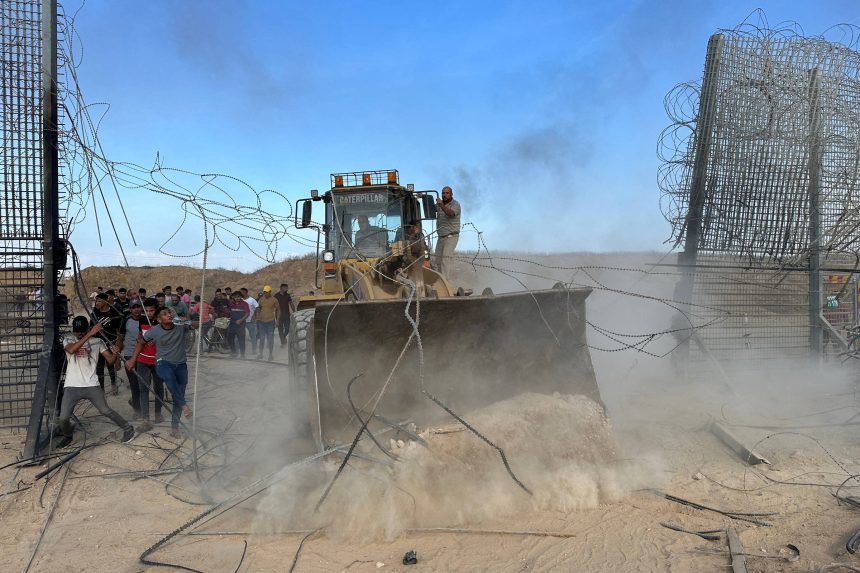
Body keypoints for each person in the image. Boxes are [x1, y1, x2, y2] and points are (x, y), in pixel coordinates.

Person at [59, 316, 135, 442]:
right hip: (72, 385)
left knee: (105, 410)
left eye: (83, 331)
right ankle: (68, 436)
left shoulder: (97, 342)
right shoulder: (67, 339)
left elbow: (110, 360)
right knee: (63, 418)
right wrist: (89, 334)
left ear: (88, 328)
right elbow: (72, 350)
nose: (79, 334)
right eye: (77, 331)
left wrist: (115, 352)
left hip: (91, 384)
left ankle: (128, 428)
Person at [128, 307, 195, 438]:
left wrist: (188, 321)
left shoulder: (180, 326)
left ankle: (174, 427)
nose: (169, 315)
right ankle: (184, 406)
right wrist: (132, 359)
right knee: (169, 379)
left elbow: (196, 325)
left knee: (178, 394)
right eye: (164, 314)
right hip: (163, 363)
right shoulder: (154, 332)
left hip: (181, 365)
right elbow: (141, 343)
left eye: (169, 312)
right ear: (159, 319)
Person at [125, 298, 165, 430]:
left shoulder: (163, 321)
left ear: (157, 309)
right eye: (146, 310)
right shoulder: (142, 320)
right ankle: (145, 419)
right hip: (143, 359)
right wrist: (139, 338)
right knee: (143, 389)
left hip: (158, 360)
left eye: (152, 310)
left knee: (158, 386)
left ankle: (158, 413)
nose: (149, 313)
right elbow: (140, 336)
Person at [92, 293, 124, 395]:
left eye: (99, 301)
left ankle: (113, 383)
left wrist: (118, 349)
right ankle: (101, 389)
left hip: (111, 342)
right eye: (96, 301)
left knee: (110, 364)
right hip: (98, 343)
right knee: (99, 367)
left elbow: (119, 332)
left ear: (106, 301)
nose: (97, 303)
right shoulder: (94, 313)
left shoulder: (114, 312)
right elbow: (90, 329)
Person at [119, 301, 145, 419]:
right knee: (134, 384)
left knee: (143, 384)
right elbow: (120, 338)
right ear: (130, 310)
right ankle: (137, 410)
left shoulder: (146, 320)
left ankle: (142, 407)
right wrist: (117, 358)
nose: (136, 310)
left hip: (143, 356)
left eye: (138, 307)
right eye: (133, 308)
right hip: (129, 355)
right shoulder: (126, 321)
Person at [434, 185, 461, 278]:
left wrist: (441, 205)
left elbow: (451, 214)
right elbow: (430, 211)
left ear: (451, 194)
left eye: (447, 193)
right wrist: (424, 197)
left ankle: (446, 284)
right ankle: (439, 280)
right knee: (436, 261)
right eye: (443, 193)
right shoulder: (440, 205)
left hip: (451, 236)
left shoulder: (455, 204)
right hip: (441, 237)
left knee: (445, 259)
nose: (444, 195)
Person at [256, 285, 278, 361]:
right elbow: (259, 308)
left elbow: (279, 310)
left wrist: (277, 321)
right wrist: (258, 316)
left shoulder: (274, 300)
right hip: (262, 322)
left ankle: (270, 355)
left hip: (270, 322)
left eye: (267, 292)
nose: (265, 293)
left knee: (270, 339)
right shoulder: (261, 299)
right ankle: (261, 354)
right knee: (262, 339)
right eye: (264, 292)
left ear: (270, 292)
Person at [227, 291, 250, 358]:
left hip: (241, 325)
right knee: (229, 338)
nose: (237, 298)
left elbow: (247, 313)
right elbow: (229, 312)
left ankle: (242, 355)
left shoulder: (244, 304)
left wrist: (241, 320)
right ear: (233, 297)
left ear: (241, 297)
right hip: (232, 324)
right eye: (235, 297)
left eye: (238, 296)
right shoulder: (231, 304)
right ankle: (233, 353)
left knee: (241, 340)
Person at [241, 287, 259, 356]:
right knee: (240, 336)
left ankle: (254, 350)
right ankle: (241, 351)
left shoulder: (252, 300)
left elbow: (257, 308)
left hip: (250, 321)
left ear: (245, 292)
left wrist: (255, 317)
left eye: (242, 292)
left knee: (253, 336)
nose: (241, 293)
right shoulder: (240, 300)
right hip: (242, 321)